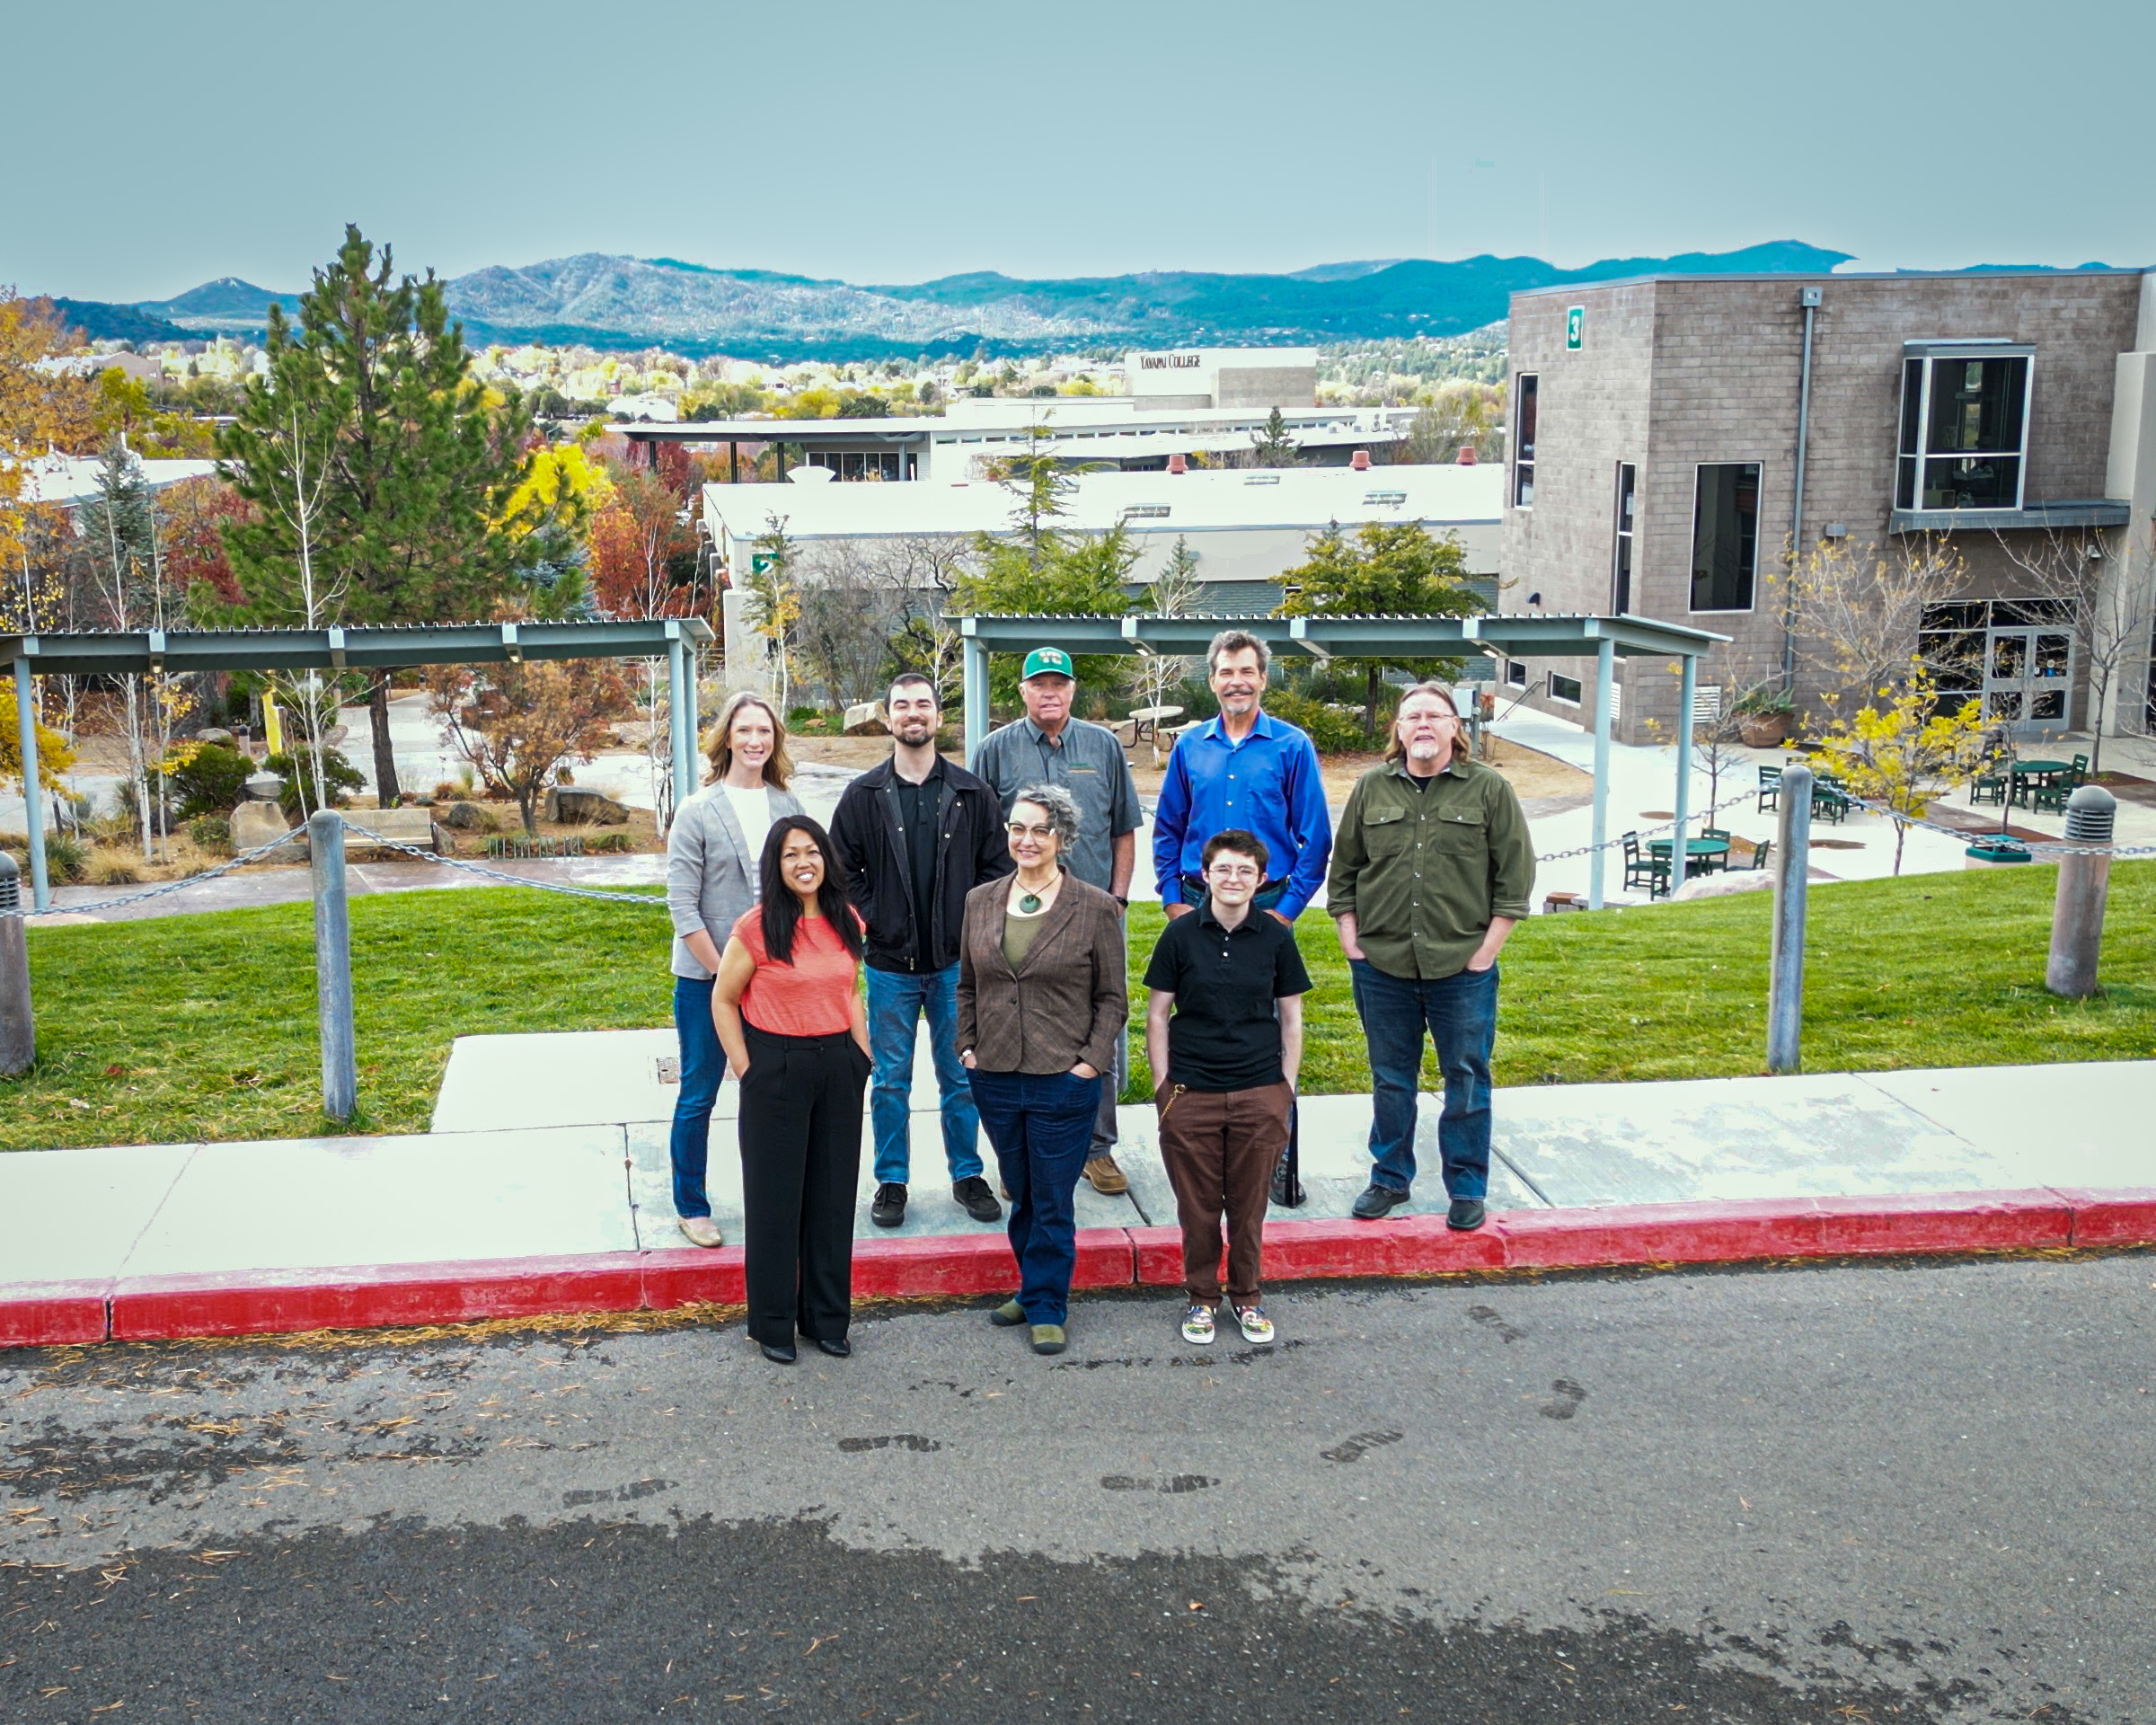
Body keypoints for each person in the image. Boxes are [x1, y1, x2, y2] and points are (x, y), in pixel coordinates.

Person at [1325, 681, 1533, 1231]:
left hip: (1462, 967)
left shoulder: (1489, 790)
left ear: (1455, 727)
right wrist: (1351, 936)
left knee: (1465, 1077)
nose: (1423, 723)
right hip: (1383, 965)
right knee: (1391, 1078)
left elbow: (1514, 880)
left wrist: (1486, 953)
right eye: (1412, 715)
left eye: (1435, 716)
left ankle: (1466, 1186)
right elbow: (1343, 870)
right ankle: (1390, 1177)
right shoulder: (1372, 788)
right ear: (1398, 728)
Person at [830, 671, 1012, 1230]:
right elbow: (841, 871)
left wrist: (969, 929)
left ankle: (966, 1173)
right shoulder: (862, 795)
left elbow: (997, 869)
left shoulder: (971, 793)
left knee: (961, 1076)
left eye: (924, 705)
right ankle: (892, 1179)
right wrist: (877, 920)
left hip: (957, 967)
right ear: (887, 718)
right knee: (889, 1079)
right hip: (890, 967)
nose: (914, 714)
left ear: (938, 716)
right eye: (902, 705)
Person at [957, 783, 1127, 1357]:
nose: (1025, 840)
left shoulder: (1095, 906)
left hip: (1063, 1077)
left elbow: (1112, 998)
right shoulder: (980, 900)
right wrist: (967, 1047)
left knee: (1052, 1197)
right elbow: (966, 985)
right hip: (996, 1074)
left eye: (1039, 830)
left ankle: (1049, 1303)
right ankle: (1031, 1290)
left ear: (1063, 838)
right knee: (1023, 1191)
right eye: (1017, 828)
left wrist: (1090, 1063)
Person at [969, 645, 1143, 1197]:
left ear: (1073, 691)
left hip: (1090, 916)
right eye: (1038, 683)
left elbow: (1122, 828)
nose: (1050, 692)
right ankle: (1014, 1151)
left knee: (1100, 1029)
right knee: (1014, 1028)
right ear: (1022, 691)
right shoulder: (994, 750)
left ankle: (1098, 1149)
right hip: (1017, 916)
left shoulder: (1104, 746)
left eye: (1059, 683)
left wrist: (1116, 899)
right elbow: (980, 835)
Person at [711, 817, 871, 1364]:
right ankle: (773, 1324)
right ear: (775, 868)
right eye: (789, 855)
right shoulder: (755, 928)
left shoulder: (846, 919)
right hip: (775, 1069)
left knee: (831, 1200)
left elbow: (850, 989)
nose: (803, 863)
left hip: (838, 1066)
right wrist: (746, 1068)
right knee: (776, 1203)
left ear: (825, 858)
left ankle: (827, 1319)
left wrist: (861, 1053)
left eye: (811, 852)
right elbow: (724, 1000)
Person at [1143, 829, 1311, 1348]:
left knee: (1248, 1205)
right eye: (1223, 869)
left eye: (1245, 871)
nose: (1233, 879)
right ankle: (1200, 1298)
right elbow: (1157, 1014)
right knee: (1197, 1209)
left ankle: (1248, 1296)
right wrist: (1162, 1089)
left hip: (1259, 1092)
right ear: (1204, 875)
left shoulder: (1277, 937)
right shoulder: (1180, 935)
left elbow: (1292, 1018)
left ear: (1261, 880)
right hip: (1191, 1093)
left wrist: (1285, 1087)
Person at [663, 692, 805, 1248]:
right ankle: (691, 1204)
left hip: (772, 982)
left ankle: (772, 1199)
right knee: (699, 1091)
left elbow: (801, 891)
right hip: (706, 983)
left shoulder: (789, 807)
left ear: (775, 741)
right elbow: (683, 906)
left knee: (770, 1091)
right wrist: (728, 976)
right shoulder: (697, 810)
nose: (755, 741)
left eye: (764, 732)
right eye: (745, 730)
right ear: (727, 739)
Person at [1153, 629, 1331, 928]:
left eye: (1247, 672)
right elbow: (1168, 829)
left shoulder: (1293, 745)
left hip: (1267, 904)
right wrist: (1172, 898)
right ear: (1212, 681)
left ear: (1263, 678)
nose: (1237, 682)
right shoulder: (1189, 746)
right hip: (1196, 902)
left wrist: (1287, 909)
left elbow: (1315, 837)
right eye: (1226, 673)